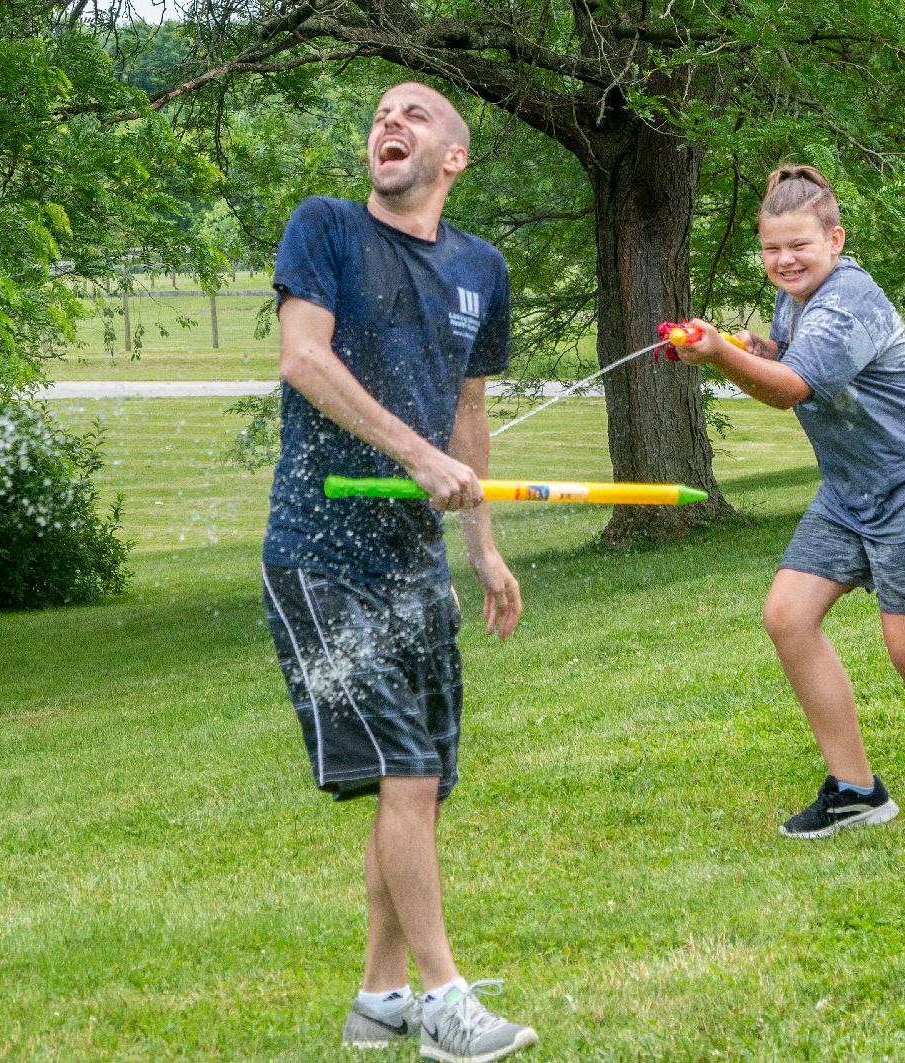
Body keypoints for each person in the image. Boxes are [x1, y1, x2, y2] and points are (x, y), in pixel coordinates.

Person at [260, 81, 538, 1061]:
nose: (389, 122)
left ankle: (380, 998)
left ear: (453, 157)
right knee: (407, 771)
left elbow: (468, 415)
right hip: (321, 547)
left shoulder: (481, 267)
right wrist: (414, 456)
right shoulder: (327, 229)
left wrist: (486, 545)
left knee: (417, 784)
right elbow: (303, 358)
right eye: (380, 113)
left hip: (414, 558)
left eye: (414, 114)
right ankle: (443, 999)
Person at [675, 164, 905, 839]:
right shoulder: (798, 296)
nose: (783, 260)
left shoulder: (849, 298)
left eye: (799, 246)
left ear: (834, 239)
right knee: (788, 616)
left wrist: (720, 355)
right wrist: (757, 345)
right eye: (771, 249)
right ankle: (856, 789)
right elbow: (792, 358)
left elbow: (791, 389)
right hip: (850, 490)